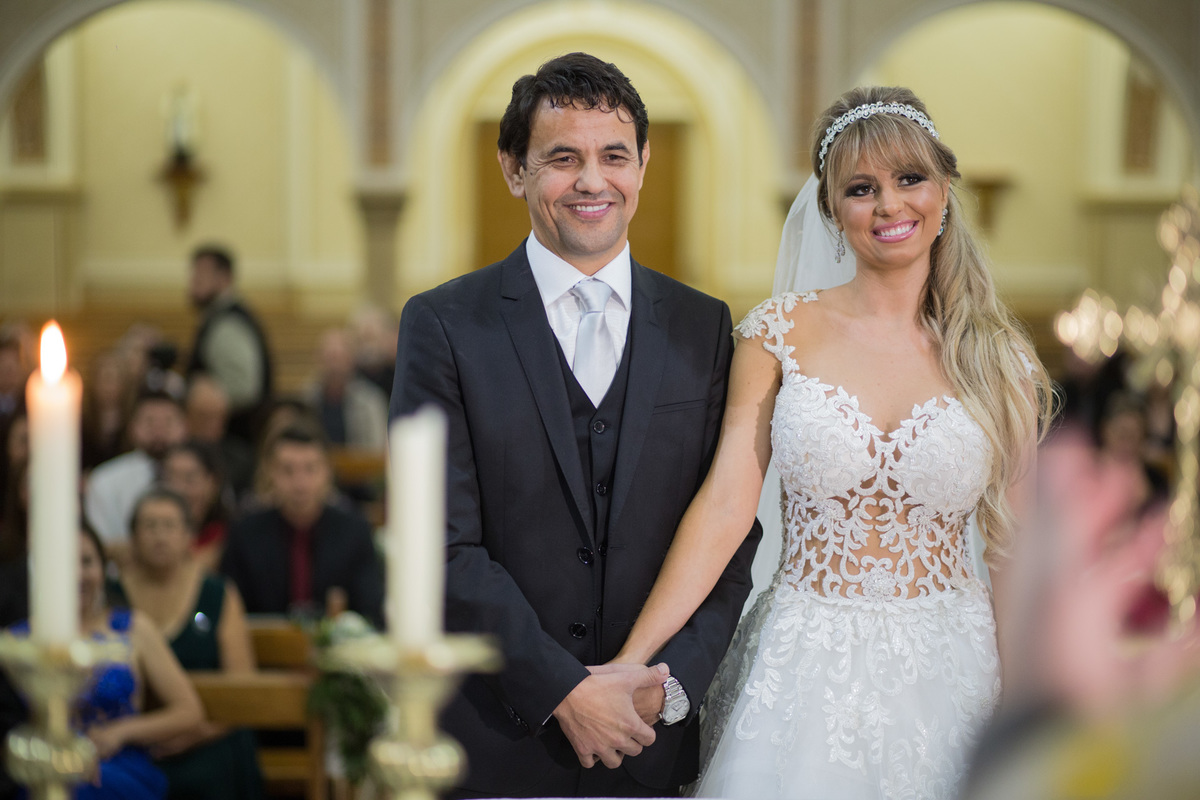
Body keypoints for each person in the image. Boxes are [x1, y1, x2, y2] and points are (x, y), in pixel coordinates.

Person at [608, 86, 1053, 799]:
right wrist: (632, 660)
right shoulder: (776, 334)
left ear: (944, 190)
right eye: (861, 188)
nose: (889, 205)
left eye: (910, 178)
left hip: (953, 666)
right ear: (831, 209)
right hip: (800, 662)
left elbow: (1015, 545)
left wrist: (1028, 694)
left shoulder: (999, 361)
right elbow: (725, 508)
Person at [390, 52, 761, 798]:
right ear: (514, 170)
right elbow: (437, 543)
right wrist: (562, 690)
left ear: (643, 166)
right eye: (563, 159)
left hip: (652, 741)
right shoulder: (444, 325)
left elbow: (732, 532)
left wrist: (668, 688)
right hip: (499, 744)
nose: (593, 181)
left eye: (614, 156)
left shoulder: (704, 326)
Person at [10, 525, 205, 799]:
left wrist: (120, 732)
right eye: (64, 563)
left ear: (102, 569)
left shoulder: (132, 629)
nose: (78, 574)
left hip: (118, 763)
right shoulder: (21, 641)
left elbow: (189, 711)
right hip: (45, 765)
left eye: (87, 562)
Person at [120, 488, 264, 800]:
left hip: (210, 736)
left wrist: (191, 734)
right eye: (149, 526)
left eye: (169, 526)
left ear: (189, 535)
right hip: (132, 739)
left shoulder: (216, 593)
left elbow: (242, 687)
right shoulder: (112, 594)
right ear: (133, 536)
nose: (160, 536)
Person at [220, 425, 384, 625]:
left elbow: (370, 612)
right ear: (270, 473)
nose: (300, 483)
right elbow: (231, 613)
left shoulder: (354, 532)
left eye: (310, 469)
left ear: (327, 472)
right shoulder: (245, 534)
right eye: (287, 470)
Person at [186, 244, 273, 442]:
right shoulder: (219, 318)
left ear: (224, 277)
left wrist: (197, 396)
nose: (193, 281)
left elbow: (243, 389)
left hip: (232, 440)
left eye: (201, 273)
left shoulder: (227, 323)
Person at [84, 391, 188, 556]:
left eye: (168, 422)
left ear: (184, 427)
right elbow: (99, 542)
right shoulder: (104, 479)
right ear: (132, 427)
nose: (159, 431)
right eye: (149, 421)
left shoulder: (199, 476)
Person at [304, 328, 388, 451]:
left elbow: (377, 448)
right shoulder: (307, 399)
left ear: (351, 360)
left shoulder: (370, 401)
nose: (334, 365)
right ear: (318, 359)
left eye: (340, 357)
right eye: (330, 357)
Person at [161, 442, 233, 573]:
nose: (178, 489)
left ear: (213, 483)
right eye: (169, 478)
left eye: (189, 479)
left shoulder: (229, 536)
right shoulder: (150, 533)